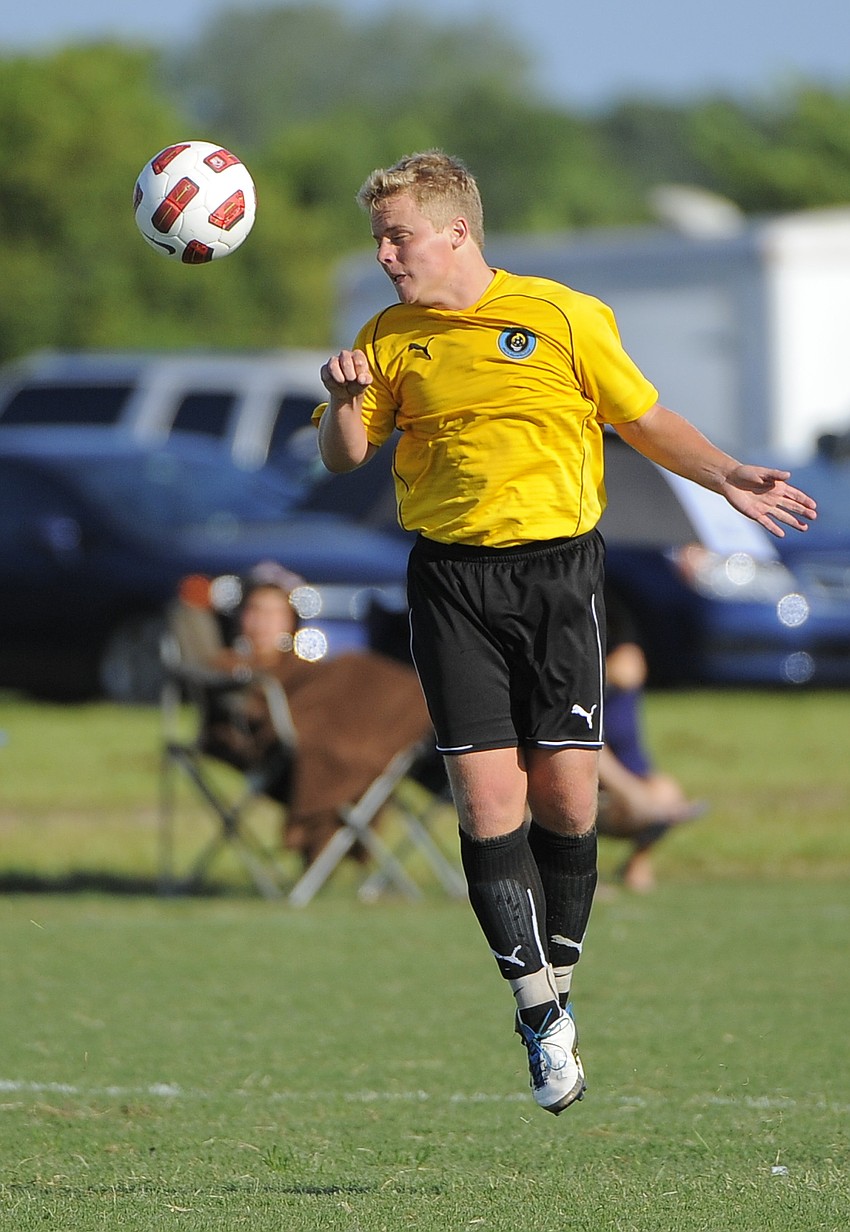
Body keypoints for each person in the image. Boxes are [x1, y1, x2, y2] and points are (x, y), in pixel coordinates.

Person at [314, 150, 816, 1115]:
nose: (385, 254)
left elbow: (645, 418)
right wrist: (342, 402)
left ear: (457, 231)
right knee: (487, 795)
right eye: (378, 237)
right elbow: (344, 457)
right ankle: (538, 1012)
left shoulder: (562, 315)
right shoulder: (385, 338)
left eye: (399, 235)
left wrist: (727, 475)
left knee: (569, 797)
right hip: (451, 579)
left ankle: (558, 987)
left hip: (558, 574)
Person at [200, 566, 433, 865]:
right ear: (241, 617)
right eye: (255, 611)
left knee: (365, 676)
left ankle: (422, 703)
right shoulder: (232, 667)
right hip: (289, 741)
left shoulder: (303, 666)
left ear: (290, 620)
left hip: (347, 720)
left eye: (274, 613)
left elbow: (334, 694)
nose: (263, 622)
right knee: (343, 747)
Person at [595, 583, 705, 892]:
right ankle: (569, 877)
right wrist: (630, 792)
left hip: (613, 786)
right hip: (568, 778)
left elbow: (630, 668)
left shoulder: (621, 679)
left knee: (666, 792)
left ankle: (637, 862)